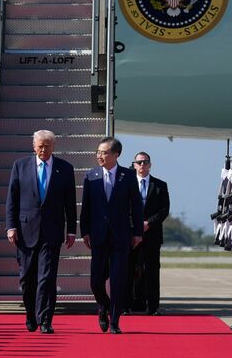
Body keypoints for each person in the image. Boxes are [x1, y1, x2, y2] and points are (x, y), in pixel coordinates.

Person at [5, 130, 77, 334]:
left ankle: (45, 319)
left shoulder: (64, 168)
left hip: (52, 231)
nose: (44, 149)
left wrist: (71, 230)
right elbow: (12, 198)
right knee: (27, 278)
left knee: (47, 277)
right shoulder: (20, 166)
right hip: (25, 230)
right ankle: (30, 313)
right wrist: (10, 226)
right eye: (40, 146)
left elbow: (70, 203)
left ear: (54, 147)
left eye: (48, 146)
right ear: (34, 146)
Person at [80, 137, 143, 334]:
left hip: (120, 236)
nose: (100, 155)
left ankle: (115, 321)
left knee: (117, 280)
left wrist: (138, 232)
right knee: (95, 281)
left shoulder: (128, 176)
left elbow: (136, 207)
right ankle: (103, 306)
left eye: (104, 152)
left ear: (116, 155)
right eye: (98, 152)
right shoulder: (91, 176)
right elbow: (86, 208)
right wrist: (85, 232)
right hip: (98, 235)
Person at [126, 151, 169, 315]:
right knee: (128, 270)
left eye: (145, 162)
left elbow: (164, 210)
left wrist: (149, 223)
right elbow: (123, 208)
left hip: (152, 234)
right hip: (131, 234)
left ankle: (153, 307)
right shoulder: (127, 184)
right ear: (134, 165)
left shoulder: (160, 185)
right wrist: (135, 225)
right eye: (139, 162)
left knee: (152, 270)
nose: (142, 165)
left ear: (150, 165)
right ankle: (126, 305)